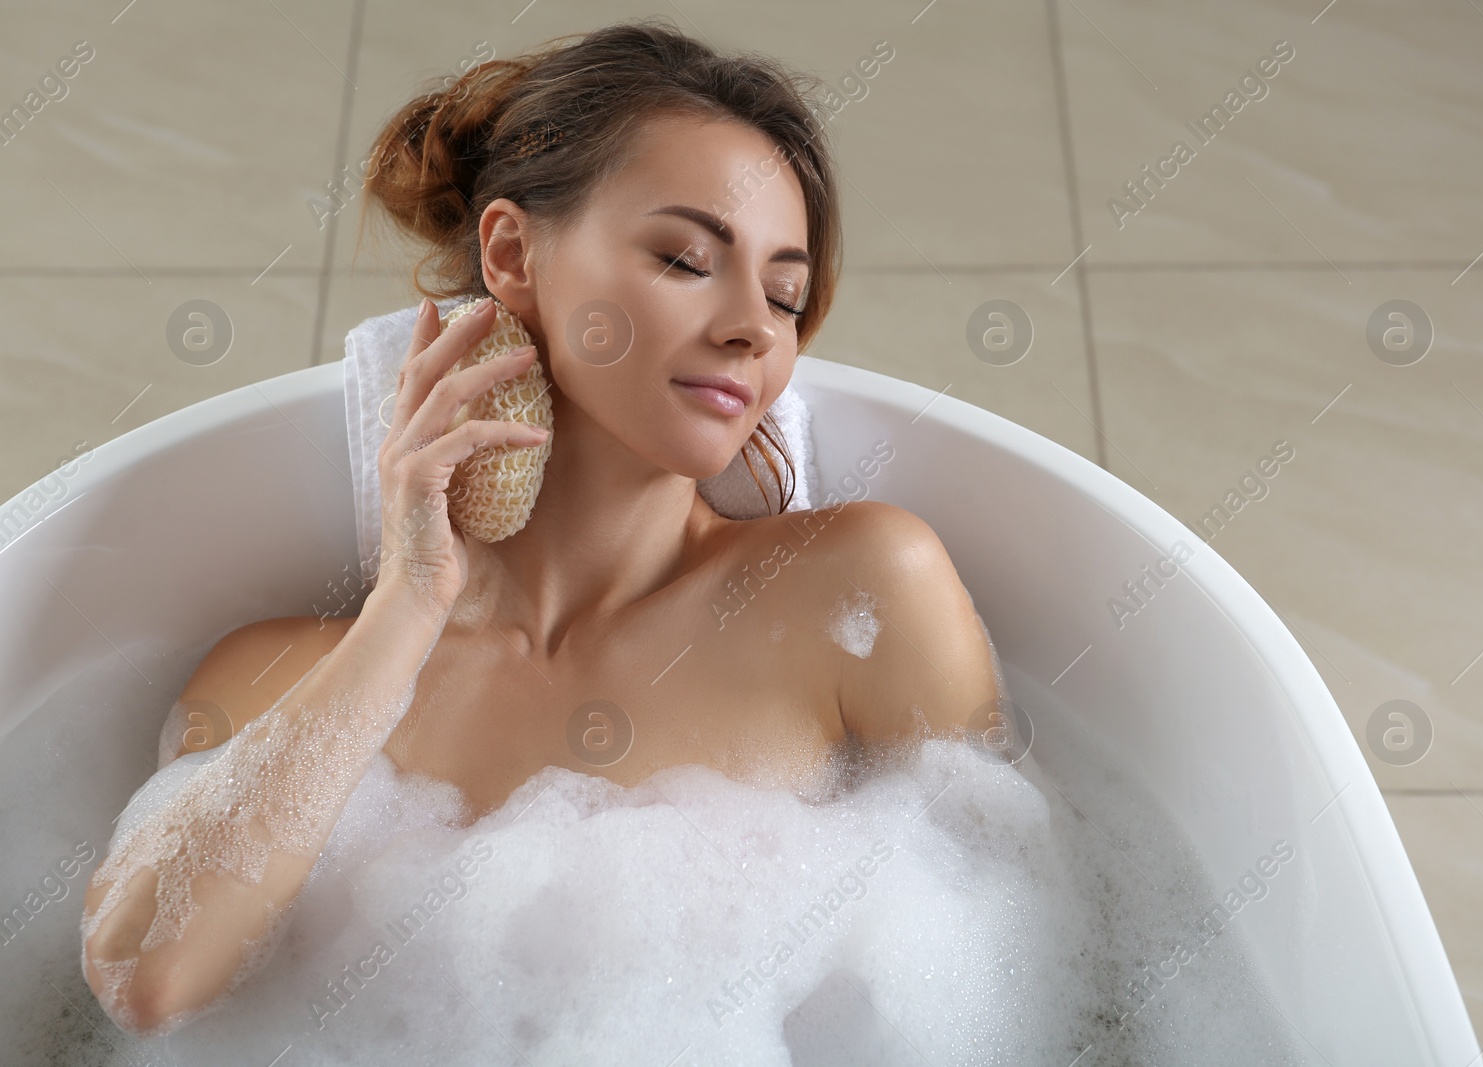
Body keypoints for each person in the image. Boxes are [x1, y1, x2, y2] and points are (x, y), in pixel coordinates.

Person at [79, 18, 1001, 1037]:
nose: (753, 326)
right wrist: (408, 604)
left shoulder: (856, 595)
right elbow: (142, 981)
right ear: (514, 254)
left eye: (785, 296)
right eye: (688, 258)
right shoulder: (277, 675)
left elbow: (1000, 957)